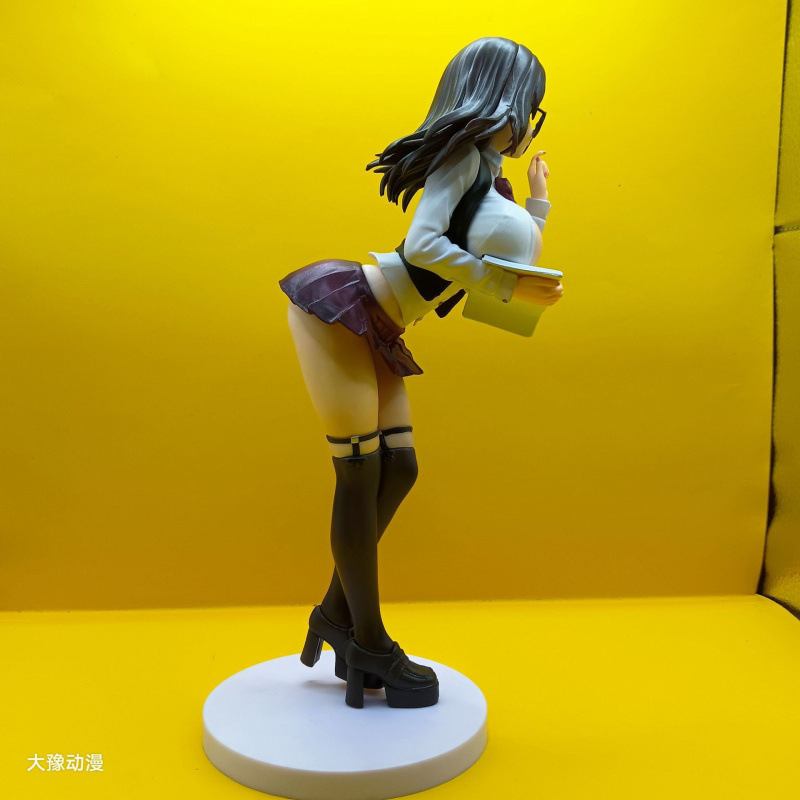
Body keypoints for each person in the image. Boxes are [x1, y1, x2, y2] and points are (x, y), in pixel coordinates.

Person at [278, 36, 563, 709]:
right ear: (503, 98)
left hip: (383, 326)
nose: (530, 123)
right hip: (343, 309)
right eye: (530, 106)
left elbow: (512, 252)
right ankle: (369, 642)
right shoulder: (460, 159)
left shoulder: (486, 172)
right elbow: (424, 244)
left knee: (399, 469)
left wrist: (538, 205)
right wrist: (499, 281)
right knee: (359, 475)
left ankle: (334, 615)